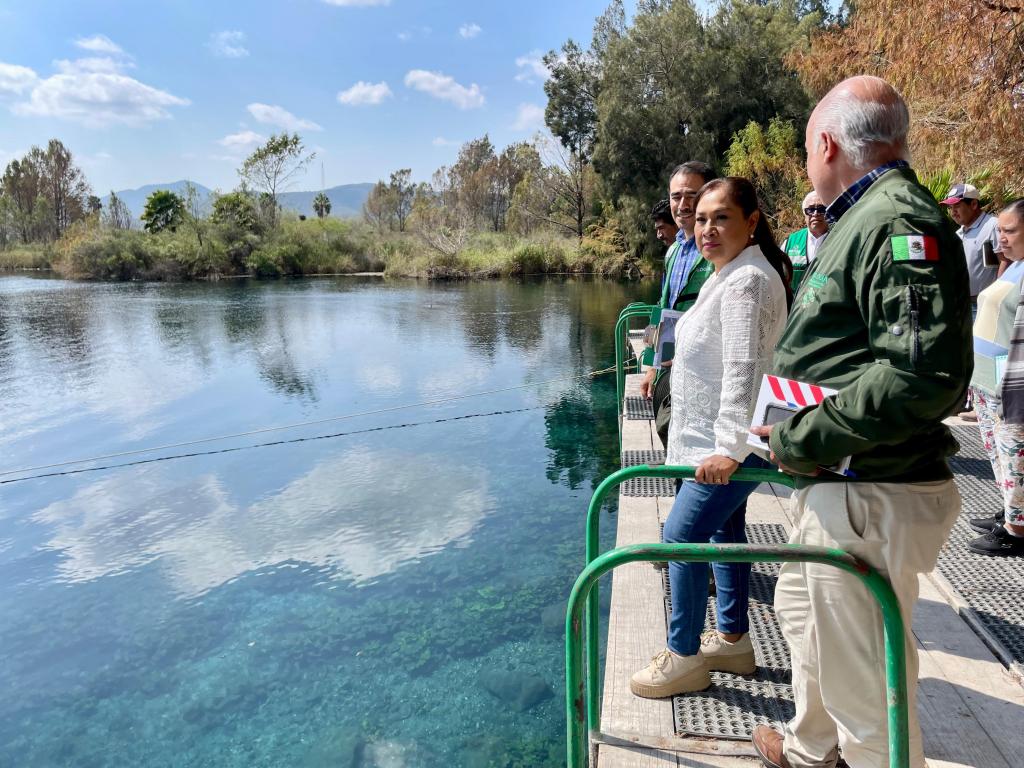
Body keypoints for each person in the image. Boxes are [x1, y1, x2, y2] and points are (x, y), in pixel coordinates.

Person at [749, 76, 971, 768]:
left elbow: (919, 374)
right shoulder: (864, 216)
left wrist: (799, 436)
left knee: (867, 693)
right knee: (801, 615)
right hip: (843, 484)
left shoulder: (896, 221)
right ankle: (810, 748)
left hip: (867, 491)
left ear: (825, 142)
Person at [629, 177, 792, 698]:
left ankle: (684, 657)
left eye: (721, 217)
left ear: (751, 221)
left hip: (725, 448)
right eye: (701, 219)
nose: (707, 228)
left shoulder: (746, 281)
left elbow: (745, 367)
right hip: (711, 442)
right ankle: (734, 640)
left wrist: (729, 449)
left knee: (681, 538)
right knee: (724, 536)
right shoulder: (731, 274)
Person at [639, 161, 717, 450]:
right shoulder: (673, 251)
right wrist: (650, 365)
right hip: (674, 370)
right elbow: (661, 309)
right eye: (676, 196)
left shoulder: (717, 248)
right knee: (672, 439)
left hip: (708, 376)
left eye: (691, 195)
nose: (682, 204)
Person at [964, 199, 1024, 556]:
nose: (1000, 238)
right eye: (999, 230)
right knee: (999, 454)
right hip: (987, 377)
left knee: (1015, 455)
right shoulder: (1014, 267)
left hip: (1009, 381)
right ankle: (1010, 514)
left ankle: (1016, 531)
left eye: (1010, 231)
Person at [940, 183, 1000, 421]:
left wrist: (996, 298)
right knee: (965, 354)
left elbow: (1003, 261)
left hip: (985, 303)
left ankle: (986, 405)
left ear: (974, 204)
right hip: (962, 303)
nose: (952, 212)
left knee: (985, 355)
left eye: (957, 206)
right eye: (950, 208)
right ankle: (969, 402)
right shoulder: (958, 233)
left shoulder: (992, 226)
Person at [781, 190, 829, 287]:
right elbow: (779, 277)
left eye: (821, 209)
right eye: (810, 210)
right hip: (796, 301)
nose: (815, 214)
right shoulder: (790, 242)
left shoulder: (839, 237)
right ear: (804, 214)